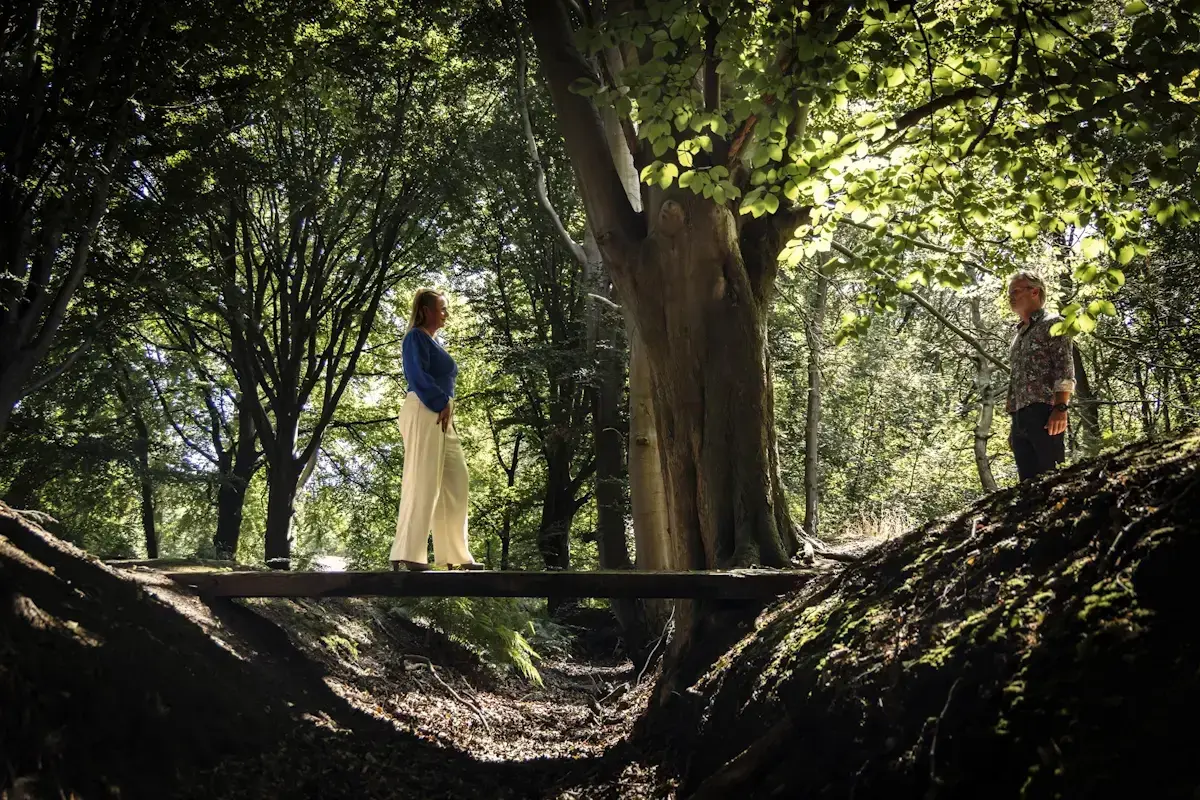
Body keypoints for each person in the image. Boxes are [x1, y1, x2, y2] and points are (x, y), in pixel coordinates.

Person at [390, 288, 483, 572]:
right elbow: (417, 375)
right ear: (426, 310)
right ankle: (408, 554)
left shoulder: (435, 342)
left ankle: (455, 554)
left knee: (456, 480)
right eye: (441, 308)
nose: (446, 313)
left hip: (442, 412)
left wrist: (445, 406)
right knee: (424, 480)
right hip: (425, 408)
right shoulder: (415, 337)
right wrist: (440, 401)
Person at [1005, 272, 1076, 481]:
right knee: (1027, 484)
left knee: (1051, 477)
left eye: (1016, 291)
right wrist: (1014, 425)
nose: (1011, 296)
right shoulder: (1018, 335)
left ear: (1034, 291)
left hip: (1045, 413)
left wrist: (1060, 408)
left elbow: (1064, 367)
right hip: (1020, 416)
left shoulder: (1053, 323)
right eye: (1010, 293)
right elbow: (1015, 378)